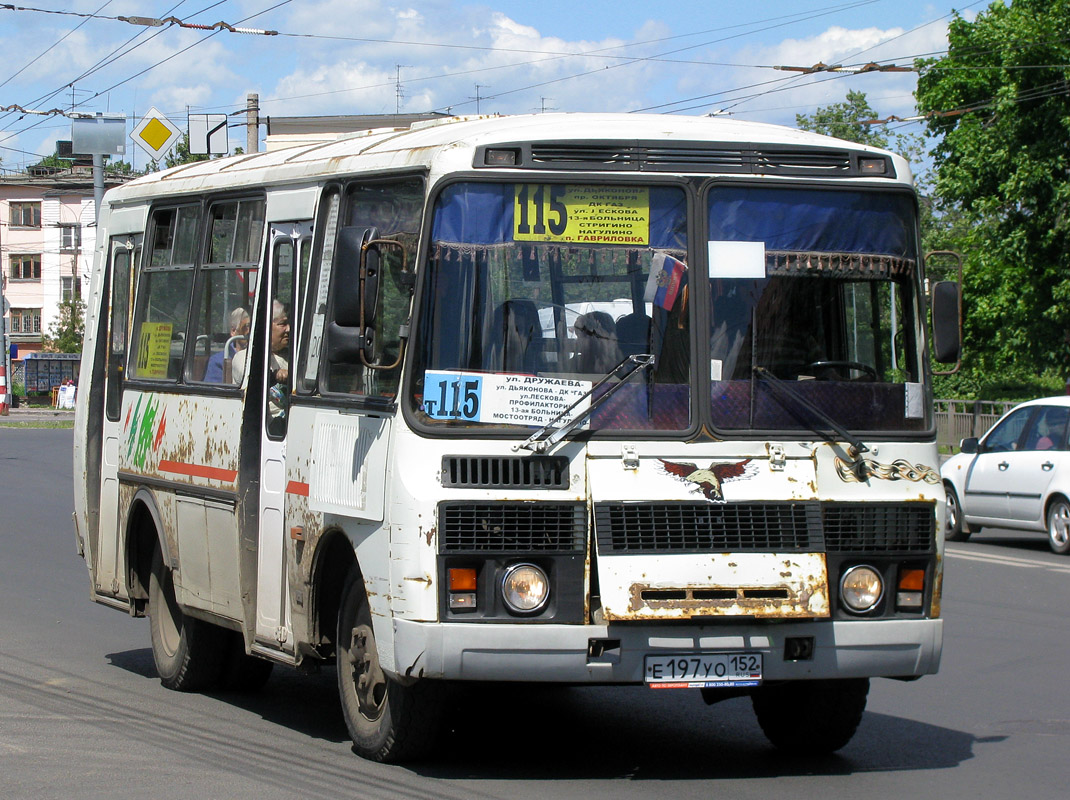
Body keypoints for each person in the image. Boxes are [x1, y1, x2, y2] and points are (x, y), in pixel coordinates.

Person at [232, 301, 290, 399]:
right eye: (282, 324)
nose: (288, 329)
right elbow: (251, 377)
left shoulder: (292, 356)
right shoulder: (244, 357)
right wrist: (276, 375)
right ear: (266, 327)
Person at [202, 307, 250, 383]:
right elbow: (213, 392)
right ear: (233, 331)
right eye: (246, 327)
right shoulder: (218, 362)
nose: (249, 332)